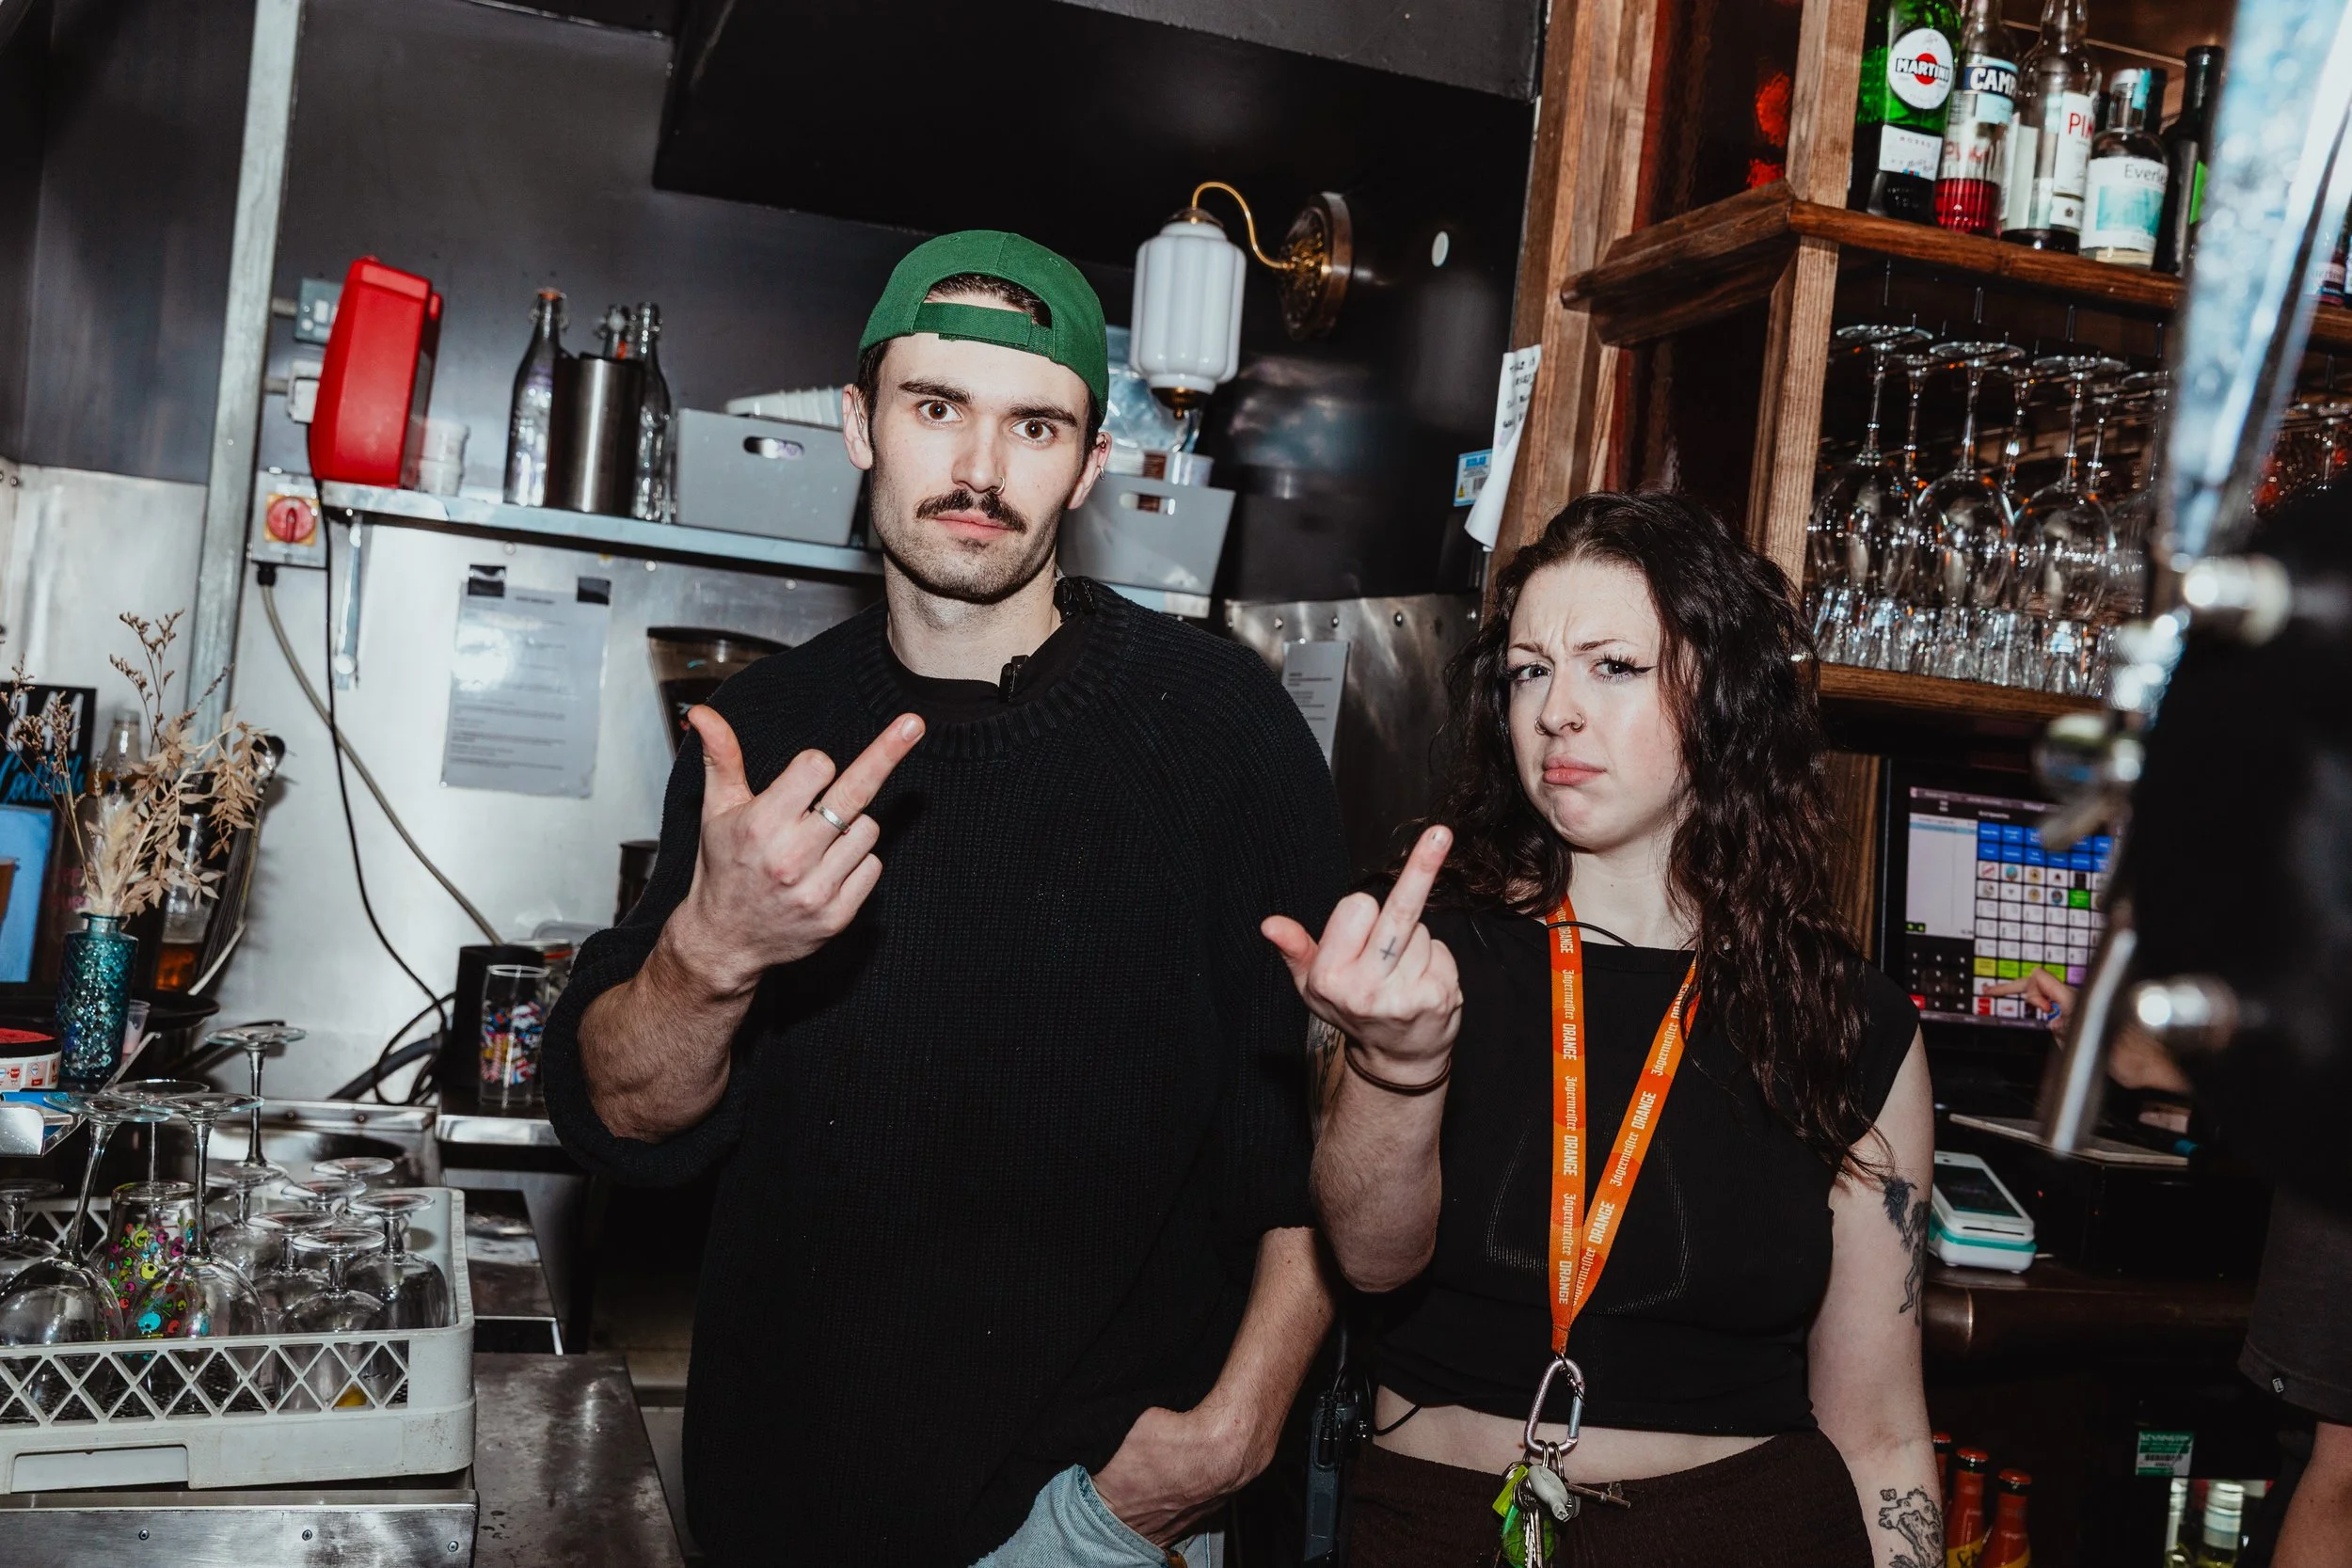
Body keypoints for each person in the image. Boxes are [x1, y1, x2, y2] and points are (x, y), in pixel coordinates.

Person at [541, 230, 1345, 1567]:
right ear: (861, 424)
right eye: (936, 409)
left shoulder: (1222, 731)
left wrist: (1230, 1435)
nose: (979, 469)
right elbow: (624, 1114)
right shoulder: (766, 732)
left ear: (1091, 461)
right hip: (779, 1510)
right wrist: (711, 953)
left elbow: (1313, 1139)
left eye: (1035, 424)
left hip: (1091, 1519)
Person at [1263, 492, 1938, 1566]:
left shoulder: (1843, 1014)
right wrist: (1398, 1067)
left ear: (1720, 691)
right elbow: (1372, 1260)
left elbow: (1882, 1421)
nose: (1556, 711)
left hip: (1744, 1533)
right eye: (1530, 669)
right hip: (1436, 1527)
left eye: (1610, 666)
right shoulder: (1417, 961)